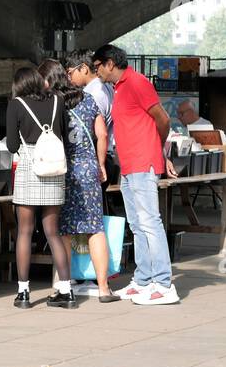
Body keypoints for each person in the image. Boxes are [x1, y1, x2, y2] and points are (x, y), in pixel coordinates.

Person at [91, 43, 180, 305]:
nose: (97, 73)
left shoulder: (138, 82)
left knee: (150, 222)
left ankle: (163, 284)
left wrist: (159, 150)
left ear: (109, 63)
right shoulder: (118, 88)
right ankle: (143, 280)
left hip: (143, 162)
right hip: (129, 164)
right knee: (137, 225)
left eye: (98, 67)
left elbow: (163, 119)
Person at [40, 59, 119, 301]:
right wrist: (101, 163)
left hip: (61, 170)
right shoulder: (87, 99)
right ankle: (104, 288)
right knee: (94, 228)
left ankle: (64, 286)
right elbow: (102, 134)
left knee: (63, 229)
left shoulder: (52, 103)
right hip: (88, 169)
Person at [5, 65, 74, 309]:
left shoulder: (16, 105)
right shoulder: (58, 100)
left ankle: (23, 292)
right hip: (54, 168)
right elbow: (64, 136)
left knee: (24, 231)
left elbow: (12, 145)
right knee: (53, 232)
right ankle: (66, 290)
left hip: (29, 168)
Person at [65, 50, 116, 175]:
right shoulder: (105, 87)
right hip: (105, 155)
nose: (69, 78)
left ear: (83, 68)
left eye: (70, 72)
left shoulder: (93, 94)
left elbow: (97, 132)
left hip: (96, 158)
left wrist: (100, 164)